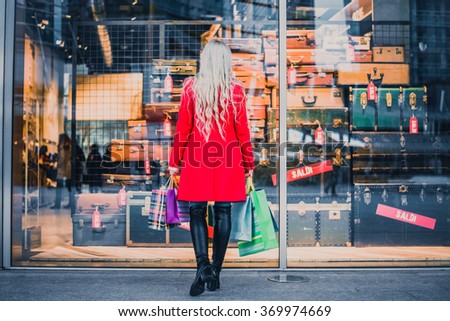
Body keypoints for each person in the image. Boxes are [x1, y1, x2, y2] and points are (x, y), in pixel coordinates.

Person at [168, 39, 254, 296]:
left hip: (197, 156)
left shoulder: (191, 86)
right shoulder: (236, 89)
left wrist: (175, 163)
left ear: (205, 59)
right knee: (223, 211)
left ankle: (202, 266)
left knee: (196, 210)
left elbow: (182, 129)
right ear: (226, 60)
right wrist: (249, 163)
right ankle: (215, 270)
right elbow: (243, 132)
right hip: (228, 156)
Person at [51, 133, 72, 209]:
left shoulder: (62, 147)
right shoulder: (68, 146)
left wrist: (57, 165)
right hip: (68, 169)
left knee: (59, 188)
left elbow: (62, 158)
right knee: (69, 187)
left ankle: (57, 204)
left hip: (62, 169)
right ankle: (70, 203)